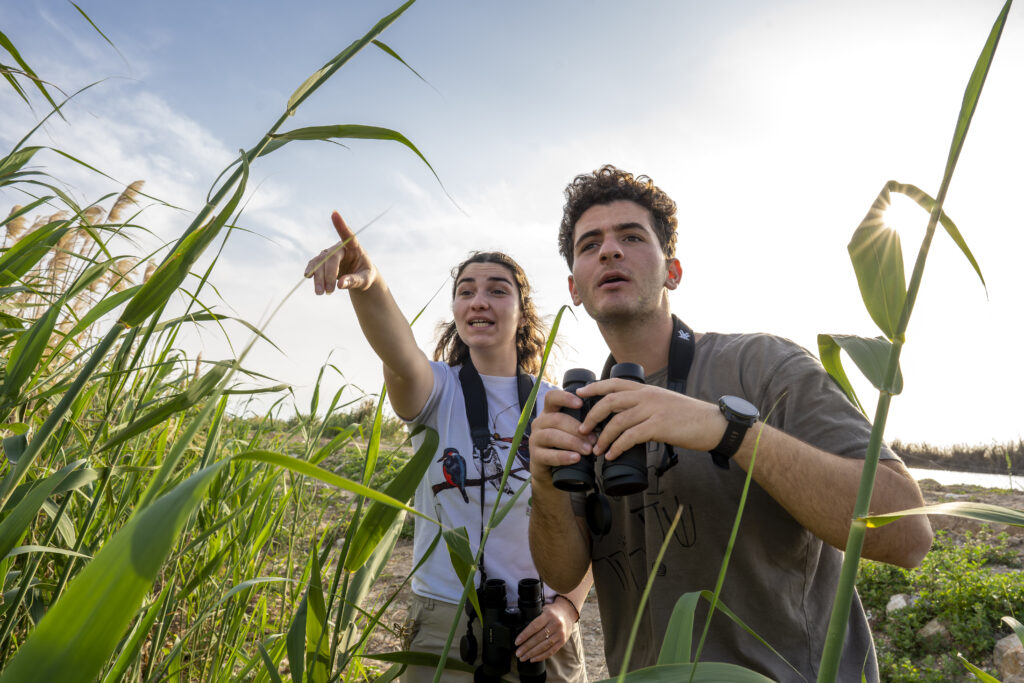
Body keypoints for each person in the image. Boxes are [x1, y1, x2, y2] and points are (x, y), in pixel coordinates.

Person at [527, 166, 934, 682]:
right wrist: (546, 484)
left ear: (672, 271)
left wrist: (730, 432)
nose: (609, 251)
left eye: (631, 236)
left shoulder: (761, 367)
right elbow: (562, 573)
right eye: (590, 245)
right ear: (575, 289)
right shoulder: (584, 412)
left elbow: (907, 535)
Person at [305, 212, 590, 683]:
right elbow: (398, 355)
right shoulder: (437, 390)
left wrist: (569, 608)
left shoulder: (555, 404)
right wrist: (369, 284)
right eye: (466, 291)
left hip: (544, 623)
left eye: (498, 290)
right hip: (446, 619)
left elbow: (590, 520)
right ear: (456, 311)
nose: (479, 300)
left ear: (523, 313)